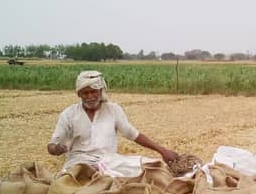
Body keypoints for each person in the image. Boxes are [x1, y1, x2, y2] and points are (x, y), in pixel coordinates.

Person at [47, 70, 178, 172]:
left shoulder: (113, 110)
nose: (90, 96)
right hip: (78, 163)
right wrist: (56, 149)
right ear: (79, 94)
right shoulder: (69, 114)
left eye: (93, 92)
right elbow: (52, 145)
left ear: (100, 91)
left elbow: (133, 134)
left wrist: (162, 151)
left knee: (152, 166)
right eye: (85, 93)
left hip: (109, 161)